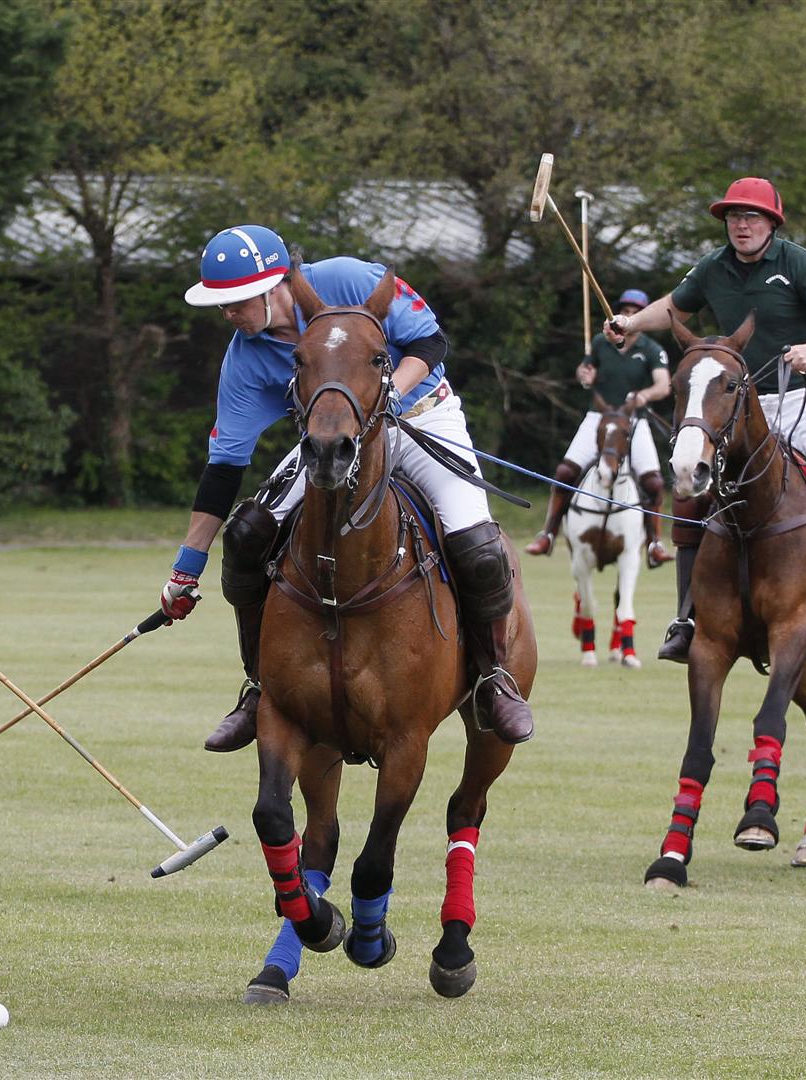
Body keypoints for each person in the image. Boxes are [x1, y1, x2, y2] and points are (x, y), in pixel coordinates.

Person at [161, 224, 534, 751]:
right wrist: (186, 567)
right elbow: (224, 466)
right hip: (331, 436)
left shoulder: (347, 279)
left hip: (422, 416)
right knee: (248, 533)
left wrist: (390, 397)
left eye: (236, 301)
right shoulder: (244, 357)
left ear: (275, 286)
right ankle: (259, 687)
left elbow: (430, 339)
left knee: (476, 544)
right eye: (220, 305)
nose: (228, 314)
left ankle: (494, 677)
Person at [607, 177, 806, 659]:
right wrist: (630, 323)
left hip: (802, 398)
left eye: (752, 216)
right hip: (736, 407)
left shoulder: (800, 263)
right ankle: (686, 616)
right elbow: (674, 308)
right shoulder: (712, 267)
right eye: (734, 217)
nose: (741, 225)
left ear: (771, 224)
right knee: (691, 493)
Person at [524, 288, 672, 564]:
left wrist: (645, 395)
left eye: (634, 311)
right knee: (565, 472)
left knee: (654, 483)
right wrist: (585, 376)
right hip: (598, 418)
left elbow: (664, 385)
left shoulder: (651, 350)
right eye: (625, 310)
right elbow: (584, 373)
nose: (628, 315)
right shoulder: (600, 343)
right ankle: (548, 534)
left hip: (634, 421)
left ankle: (654, 543)